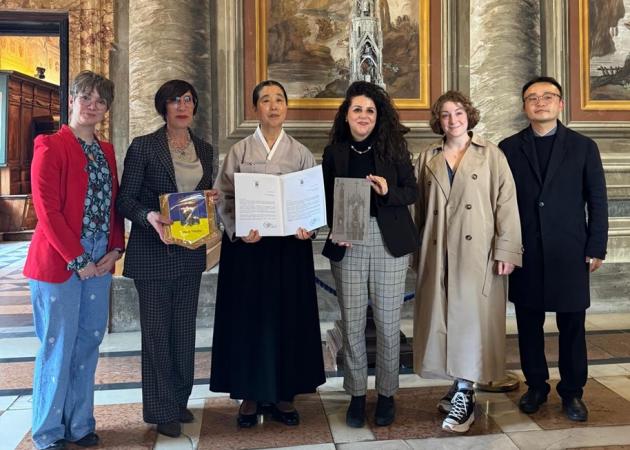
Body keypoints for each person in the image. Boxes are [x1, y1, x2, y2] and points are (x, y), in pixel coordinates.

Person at [210, 80, 325, 428]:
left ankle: (285, 394)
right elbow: (223, 196)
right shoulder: (240, 151)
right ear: (255, 108)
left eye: (279, 100)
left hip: (289, 250)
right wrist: (238, 228)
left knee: (287, 320)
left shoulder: (300, 153)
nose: (273, 106)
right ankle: (249, 395)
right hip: (249, 249)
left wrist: (308, 227)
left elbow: (312, 198)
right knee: (249, 322)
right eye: (265, 100)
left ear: (286, 107)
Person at [23, 70, 125, 450]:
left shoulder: (106, 151)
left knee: (88, 342)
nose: (93, 106)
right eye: (86, 98)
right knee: (58, 345)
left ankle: (80, 424)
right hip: (59, 260)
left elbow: (113, 205)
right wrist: (78, 259)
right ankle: (48, 432)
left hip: (101, 257)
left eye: (101, 101)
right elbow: (47, 211)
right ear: (71, 101)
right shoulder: (49, 145)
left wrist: (115, 249)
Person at [499, 76, 608, 422]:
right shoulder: (508, 148)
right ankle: (536, 387)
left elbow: (598, 200)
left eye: (548, 96)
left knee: (572, 325)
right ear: (524, 107)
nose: (540, 102)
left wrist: (597, 246)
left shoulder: (583, 146)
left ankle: (572, 392)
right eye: (532, 97)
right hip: (526, 250)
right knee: (528, 324)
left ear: (560, 104)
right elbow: (499, 202)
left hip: (570, 251)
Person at [413, 90, 522, 433]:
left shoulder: (491, 154)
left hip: (478, 253)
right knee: (444, 318)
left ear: (469, 115)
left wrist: (507, 250)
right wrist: (417, 254)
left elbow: (507, 204)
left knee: (470, 321)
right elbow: (418, 208)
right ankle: (458, 382)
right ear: (438, 120)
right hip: (437, 251)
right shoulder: (426, 157)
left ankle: (465, 394)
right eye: (445, 114)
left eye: (458, 112)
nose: (453, 120)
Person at [116, 80, 217, 438]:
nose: (182, 106)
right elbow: (125, 200)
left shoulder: (205, 149)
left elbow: (198, 197)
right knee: (158, 333)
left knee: (183, 331)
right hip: (153, 252)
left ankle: (178, 399)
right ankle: (161, 409)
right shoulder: (144, 146)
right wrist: (148, 217)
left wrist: (210, 200)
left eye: (188, 99)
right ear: (164, 107)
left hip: (189, 253)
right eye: (175, 100)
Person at [322, 80, 419, 428]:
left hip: (388, 241)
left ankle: (387, 394)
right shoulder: (334, 153)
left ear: (378, 117)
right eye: (357, 109)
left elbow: (412, 192)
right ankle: (357, 394)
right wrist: (336, 228)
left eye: (370, 110)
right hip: (348, 242)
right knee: (351, 324)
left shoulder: (394, 149)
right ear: (346, 115)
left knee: (388, 324)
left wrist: (388, 190)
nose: (363, 115)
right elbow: (325, 200)